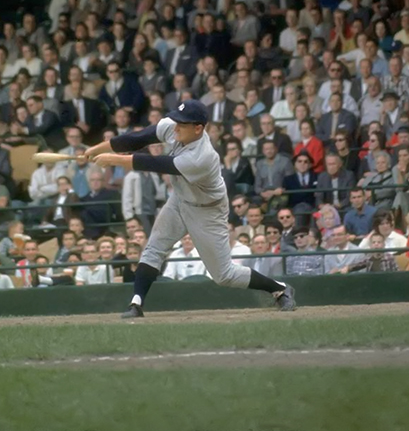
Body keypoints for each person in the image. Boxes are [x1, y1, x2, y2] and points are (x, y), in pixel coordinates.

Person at [81, 99, 296, 317]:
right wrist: (97, 148)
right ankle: (136, 304)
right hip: (180, 200)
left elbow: (158, 164)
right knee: (154, 248)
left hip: (207, 210)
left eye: (182, 124)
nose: (175, 127)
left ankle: (279, 289)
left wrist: (114, 160)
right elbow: (137, 138)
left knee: (224, 275)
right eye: (176, 121)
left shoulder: (203, 156)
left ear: (198, 128)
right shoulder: (176, 127)